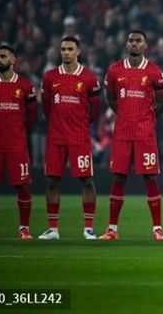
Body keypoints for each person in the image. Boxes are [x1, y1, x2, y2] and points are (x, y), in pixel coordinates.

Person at [99, 30, 163, 240]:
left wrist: (145, 118)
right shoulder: (114, 71)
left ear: (145, 46)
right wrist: (127, 115)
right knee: (119, 177)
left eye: (138, 41)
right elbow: (111, 99)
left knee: (150, 177)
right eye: (131, 41)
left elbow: (161, 103)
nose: (134, 44)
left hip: (144, 134)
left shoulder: (155, 72)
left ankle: (157, 228)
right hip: (122, 134)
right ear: (126, 44)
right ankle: (112, 229)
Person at [38, 36, 101, 240]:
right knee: (53, 181)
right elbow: (47, 108)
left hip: (79, 137)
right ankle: (53, 228)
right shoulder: (49, 77)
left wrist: (80, 125)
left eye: (70, 49)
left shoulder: (90, 78)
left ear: (78, 51)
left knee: (86, 181)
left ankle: (89, 228)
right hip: (56, 138)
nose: (65, 52)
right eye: (63, 48)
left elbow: (95, 111)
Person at [0, 44, 38, 239]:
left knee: (23, 186)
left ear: (13, 60)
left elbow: (32, 117)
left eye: (2, 56)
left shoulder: (26, 86)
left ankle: (24, 229)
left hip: (16, 144)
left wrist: (16, 131)